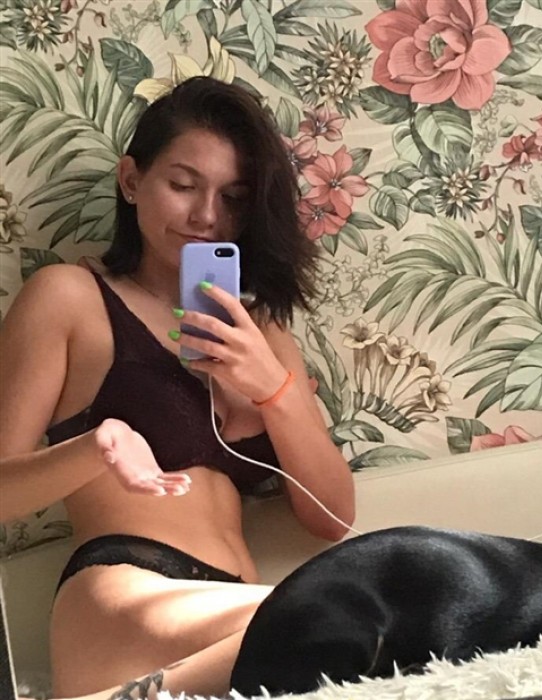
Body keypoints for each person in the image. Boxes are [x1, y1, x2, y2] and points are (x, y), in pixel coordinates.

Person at [0, 76, 355, 699]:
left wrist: (273, 389)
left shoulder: (259, 330)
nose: (207, 216)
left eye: (232, 197)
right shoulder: (69, 297)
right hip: (127, 590)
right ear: (131, 180)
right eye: (184, 185)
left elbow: (332, 518)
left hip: (230, 610)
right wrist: (96, 448)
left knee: (376, 612)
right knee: (343, 613)